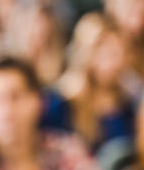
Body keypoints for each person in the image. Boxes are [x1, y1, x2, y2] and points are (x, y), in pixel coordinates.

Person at [55, 14, 137, 149]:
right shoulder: (62, 102)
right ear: (88, 53)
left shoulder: (128, 102)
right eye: (111, 54)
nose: (119, 62)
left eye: (123, 53)